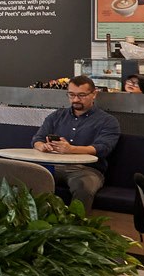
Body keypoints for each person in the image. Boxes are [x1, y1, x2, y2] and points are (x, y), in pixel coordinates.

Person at [32, 75, 121, 210]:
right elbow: (37, 139)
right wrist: (42, 146)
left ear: (94, 94)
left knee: (83, 187)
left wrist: (71, 149)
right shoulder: (56, 116)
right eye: (71, 95)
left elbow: (103, 148)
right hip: (53, 165)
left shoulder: (107, 121)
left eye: (81, 95)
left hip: (86, 169)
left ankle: (76, 227)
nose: (75, 100)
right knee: (29, 177)